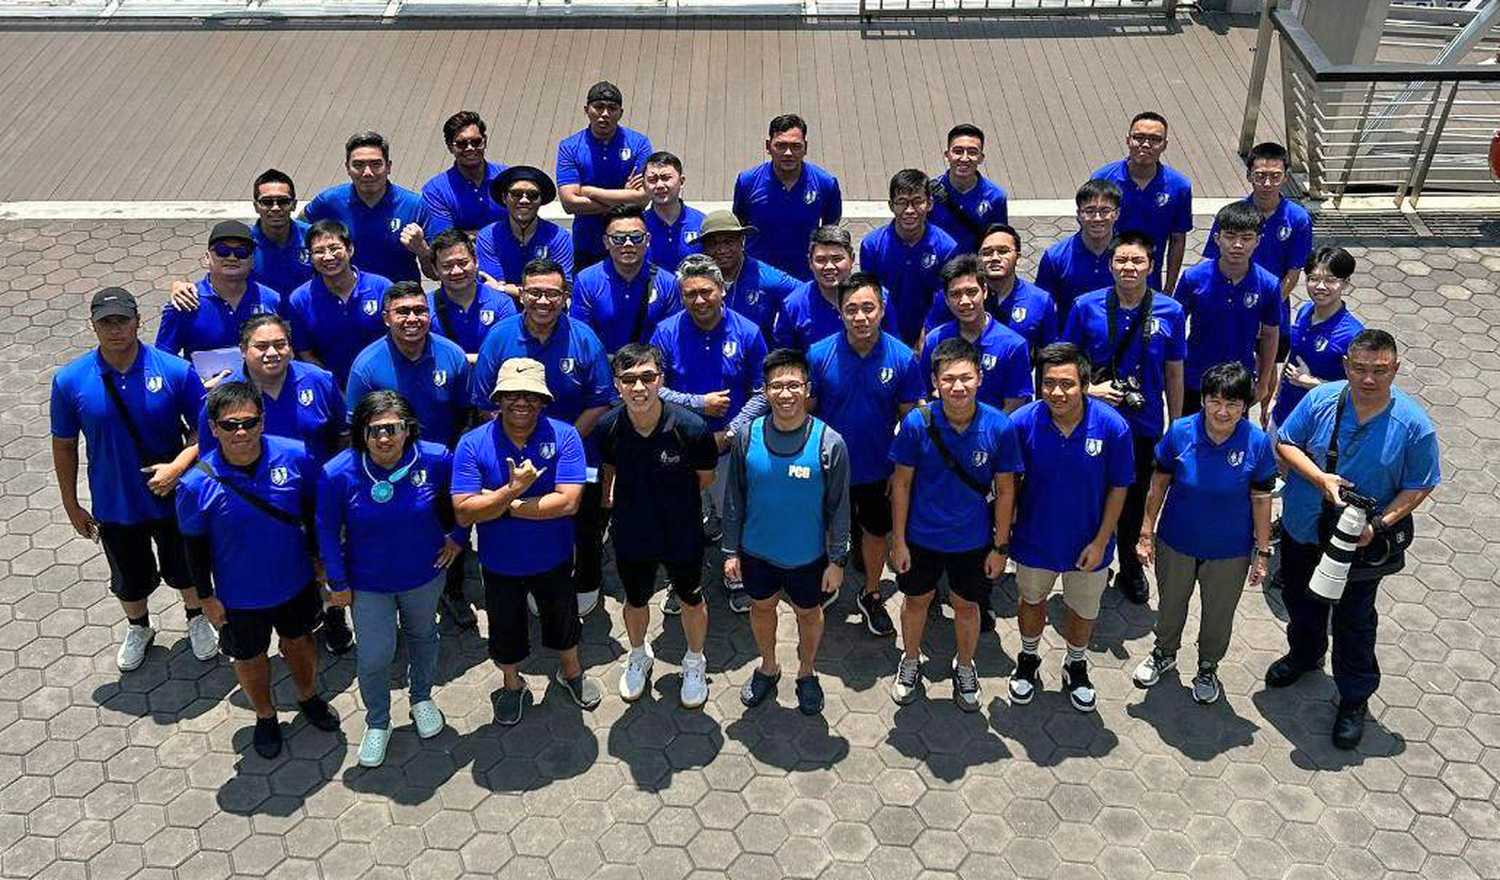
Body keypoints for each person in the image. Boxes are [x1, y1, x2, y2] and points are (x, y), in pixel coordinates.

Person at [1268, 329, 1440, 749]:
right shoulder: (1321, 400)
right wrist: (1319, 478)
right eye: (1360, 368)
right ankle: (1305, 655)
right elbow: (1286, 443)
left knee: (1354, 623)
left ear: (1395, 370)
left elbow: (1419, 485)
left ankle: (1353, 698)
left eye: (1380, 371)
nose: (1368, 379)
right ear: (1346, 366)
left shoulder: (1414, 426)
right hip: (1304, 526)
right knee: (1299, 599)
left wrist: (1377, 526)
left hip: (1358, 543)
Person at [50, 288, 214, 672]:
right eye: (106, 322)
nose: (116, 330)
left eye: (123, 320)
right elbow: (64, 445)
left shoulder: (173, 370)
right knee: (128, 576)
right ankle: (139, 627)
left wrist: (177, 467)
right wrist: (71, 504)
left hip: (172, 495)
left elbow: (203, 432)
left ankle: (196, 618)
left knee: (185, 566)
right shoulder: (70, 380)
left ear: (138, 321)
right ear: (93, 326)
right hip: (114, 501)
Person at [177, 382, 340, 759]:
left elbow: (314, 514)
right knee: (249, 658)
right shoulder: (195, 483)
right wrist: (206, 596)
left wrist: (320, 561)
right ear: (213, 428)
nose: (241, 433)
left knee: (299, 643)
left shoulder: (296, 456)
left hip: (295, 581)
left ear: (262, 421)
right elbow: (193, 545)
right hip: (238, 595)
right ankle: (265, 715)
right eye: (230, 425)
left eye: (249, 423)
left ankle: (307, 695)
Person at [453, 358, 601, 725]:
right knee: (505, 629)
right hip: (499, 562)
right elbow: (464, 512)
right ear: (498, 399)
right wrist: (515, 490)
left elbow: (568, 502)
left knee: (564, 621)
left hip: (554, 558)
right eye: (512, 395)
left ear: (544, 401)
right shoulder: (472, 444)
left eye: (532, 396)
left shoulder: (565, 436)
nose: (522, 402)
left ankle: (571, 673)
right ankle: (512, 684)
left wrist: (502, 502)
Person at [317, 391, 460, 766]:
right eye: (374, 430)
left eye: (392, 428)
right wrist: (338, 582)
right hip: (368, 584)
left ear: (407, 428)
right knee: (375, 655)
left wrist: (458, 539)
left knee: (424, 636)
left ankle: (421, 698)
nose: (384, 438)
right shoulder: (337, 473)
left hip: (424, 575)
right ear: (360, 432)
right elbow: (327, 530)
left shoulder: (436, 458)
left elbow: (462, 499)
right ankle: (378, 721)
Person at [472, 258, 615, 617]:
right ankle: (531, 582)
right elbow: (483, 400)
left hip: (579, 451)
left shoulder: (584, 337)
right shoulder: (500, 336)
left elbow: (600, 400)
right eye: (534, 292)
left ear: (565, 296)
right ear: (521, 294)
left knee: (585, 521)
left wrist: (563, 446)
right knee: (522, 517)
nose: (543, 301)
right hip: (516, 453)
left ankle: (586, 581)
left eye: (552, 293)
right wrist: (520, 439)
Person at [888, 339, 1021, 712]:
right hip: (921, 537)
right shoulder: (917, 423)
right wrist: (897, 541)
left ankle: (965, 666)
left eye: (966, 378)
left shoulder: (999, 427)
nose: (958, 387)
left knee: (966, 607)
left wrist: (1000, 547)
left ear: (980, 378)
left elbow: (1006, 490)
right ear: (934, 382)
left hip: (973, 541)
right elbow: (901, 484)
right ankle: (911, 660)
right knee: (916, 602)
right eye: (949, 379)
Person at [1132, 363, 1276, 705]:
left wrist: (1263, 552)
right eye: (1215, 401)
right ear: (1204, 400)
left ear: (1245, 406)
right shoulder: (1181, 432)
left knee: (1218, 616)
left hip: (1230, 551)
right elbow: (1158, 484)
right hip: (1177, 542)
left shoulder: (1256, 442)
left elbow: (1261, 500)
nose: (1222, 412)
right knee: (1169, 606)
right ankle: (1163, 653)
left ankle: (1208, 667)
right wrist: (1146, 533)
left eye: (1233, 404)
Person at [723, 348, 851, 716]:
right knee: (762, 608)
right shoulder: (748, 437)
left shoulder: (830, 443)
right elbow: (735, 499)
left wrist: (838, 560)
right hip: (757, 552)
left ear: (807, 389)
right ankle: (768, 666)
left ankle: (807, 672)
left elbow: (839, 508)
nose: (785, 394)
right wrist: (731, 552)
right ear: (764, 391)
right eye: (777, 386)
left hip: (808, 557)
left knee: (808, 614)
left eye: (794, 385)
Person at [1007, 343, 1134, 713]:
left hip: (1088, 544)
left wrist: (1101, 540)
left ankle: (1075, 664)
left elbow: (1119, 487)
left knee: (1083, 609)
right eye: (1048, 384)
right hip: (1035, 540)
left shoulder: (1113, 427)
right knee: (1032, 601)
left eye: (1067, 384)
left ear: (1085, 383)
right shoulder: (1022, 423)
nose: (1057, 393)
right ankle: (1028, 659)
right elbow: (1009, 484)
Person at [1063, 231, 1186, 606]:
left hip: (1143, 425)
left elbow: (1174, 372)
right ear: (1110, 264)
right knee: (1088, 497)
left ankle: (1130, 568)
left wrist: (1176, 427)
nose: (1128, 267)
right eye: (1121, 261)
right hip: (1092, 422)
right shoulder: (1086, 306)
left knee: (1133, 502)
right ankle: (1085, 561)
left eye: (1137, 261)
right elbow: (1064, 362)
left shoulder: (1170, 311)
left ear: (1151, 265)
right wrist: (1089, 390)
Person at [346, 282, 476, 628]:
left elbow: (467, 413)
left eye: (420, 310)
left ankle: (454, 591)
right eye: (402, 311)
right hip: (387, 469)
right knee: (400, 532)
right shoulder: (367, 367)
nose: (412, 318)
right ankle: (400, 600)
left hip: (443, 464)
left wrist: (457, 461)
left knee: (450, 526)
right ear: (386, 317)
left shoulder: (452, 355)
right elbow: (355, 428)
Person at [598, 344, 719, 706]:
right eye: (629, 379)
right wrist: (610, 500)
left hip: (682, 531)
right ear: (617, 385)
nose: (639, 388)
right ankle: (638, 655)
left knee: (691, 599)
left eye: (647, 378)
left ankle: (694, 660)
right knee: (635, 600)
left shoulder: (692, 427)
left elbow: (705, 477)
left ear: (661, 380)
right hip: (632, 530)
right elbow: (609, 469)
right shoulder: (608, 427)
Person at [650, 255, 770, 613]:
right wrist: (699, 404)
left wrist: (731, 432)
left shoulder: (747, 331)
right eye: (690, 294)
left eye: (706, 292)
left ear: (722, 290)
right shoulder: (666, 331)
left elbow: (762, 391)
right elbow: (654, 387)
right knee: (682, 515)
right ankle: (683, 579)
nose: (699, 300)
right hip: (678, 443)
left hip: (730, 444)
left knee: (734, 511)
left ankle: (735, 575)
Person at [807, 275, 923, 637]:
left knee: (875, 534)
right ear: (840, 313)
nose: (860, 317)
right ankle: (827, 583)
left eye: (868, 308)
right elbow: (807, 414)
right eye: (851, 309)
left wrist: (901, 470)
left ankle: (871, 592)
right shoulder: (818, 354)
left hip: (878, 467)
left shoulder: (903, 358)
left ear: (882, 310)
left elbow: (910, 419)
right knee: (824, 529)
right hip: (828, 468)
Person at [1204, 142, 1314, 364]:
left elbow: (1293, 273)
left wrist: (1266, 309)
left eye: (1275, 176)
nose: (1267, 183)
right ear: (1248, 175)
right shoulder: (1231, 214)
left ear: (1285, 177)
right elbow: (1213, 264)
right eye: (1260, 176)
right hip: (1230, 306)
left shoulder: (1298, 219)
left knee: (1268, 365)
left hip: (1272, 310)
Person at [1172, 201, 1281, 416]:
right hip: (1195, 379)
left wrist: (1264, 382)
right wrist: (1172, 374)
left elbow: (1270, 335)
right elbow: (1174, 327)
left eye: (1246, 238)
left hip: (1239, 382)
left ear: (1258, 241)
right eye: (1230, 236)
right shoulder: (1193, 278)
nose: (1237, 245)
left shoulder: (1269, 284)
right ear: (1217, 239)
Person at [194, 314, 346, 468]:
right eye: (261, 347)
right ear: (243, 350)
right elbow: (209, 457)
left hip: (316, 485)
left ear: (290, 347)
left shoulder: (320, 381)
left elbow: (343, 436)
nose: (272, 353)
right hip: (253, 488)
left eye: (280, 345)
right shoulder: (221, 396)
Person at [302, 131, 433, 284]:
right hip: (343, 299)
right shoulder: (328, 202)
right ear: (347, 168)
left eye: (376, 164)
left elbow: (435, 274)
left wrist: (422, 249)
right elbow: (298, 233)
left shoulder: (415, 206)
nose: (367, 173)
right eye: (358, 165)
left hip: (399, 301)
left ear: (388, 167)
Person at [284, 219, 395, 387]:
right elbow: (306, 353)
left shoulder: (382, 287)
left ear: (350, 249)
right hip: (334, 389)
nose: (328, 257)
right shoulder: (299, 300)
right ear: (310, 257)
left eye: (335, 248)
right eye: (319, 251)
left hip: (384, 384)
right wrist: (333, 388)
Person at [556, 81, 654, 271]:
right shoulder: (569, 147)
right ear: (587, 110)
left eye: (612, 108)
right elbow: (569, 203)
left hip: (629, 241)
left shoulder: (639, 143)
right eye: (599, 107)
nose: (605, 114)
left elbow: (642, 199)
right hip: (587, 243)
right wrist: (623, 198)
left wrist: (589, 191)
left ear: (621, 112)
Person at [732, 114, 843, 280]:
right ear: (768, 146)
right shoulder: (747, 182)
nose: (788, 153)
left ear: (805, 147)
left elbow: (830, 229)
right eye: (781, 146)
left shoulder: (825, 183)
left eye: (796, 146)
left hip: (805, 277)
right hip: (758, 277)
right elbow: (739, 225)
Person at [1093, 111, 1192, 294]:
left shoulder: (1179, 187)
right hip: (1105, 281)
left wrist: (1169, 286)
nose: (1145, 144)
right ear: (1128, 140)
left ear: (1165, 145)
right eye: (1139, 137)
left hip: (1149, 281)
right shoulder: (1102, 179)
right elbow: (1090, 230)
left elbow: (1178, 239)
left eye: (1155, 139)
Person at [157, 221, 285, 361]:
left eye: (241, 252)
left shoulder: (272, 299)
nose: (232, 257)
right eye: (222, 251)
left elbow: (287, 349)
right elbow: (164, 359)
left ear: (252, 260)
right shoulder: (184, 302)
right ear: (207, 257)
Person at [858, 169, 959, 346]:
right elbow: (872, 295)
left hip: (931, 336)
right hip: (884, 336)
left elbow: (943, 297)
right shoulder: (872, 245)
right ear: (891, 205)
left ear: (929, 204)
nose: (909, 210)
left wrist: (927, 332)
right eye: (902, 202)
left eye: (917, 202)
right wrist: (892, 337)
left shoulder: (946, 247)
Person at [920, 255, 1033, 413]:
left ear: (985, 291)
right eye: (955, 294)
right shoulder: (934, 340)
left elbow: (1014, 406)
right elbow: (924, 392)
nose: (965, 301)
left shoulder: (1013, 346)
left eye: (971, 292)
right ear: (946, 299)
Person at [1269, 248, 1365, 430]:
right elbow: (1292, 360)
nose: (1320, 287)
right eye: (1313, 279)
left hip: (1317, 428)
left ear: (1346, 283)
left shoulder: (1354, 335)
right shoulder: (1305, 311)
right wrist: (1274, 399)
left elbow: (1360, 391)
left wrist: (1312, 383)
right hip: (1282, 415)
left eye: (1330, 280)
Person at [926, 223, 1055, 357]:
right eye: (987, 253)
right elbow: (932, 341)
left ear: (1018, 256)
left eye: (1003, 251)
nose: (995, 258)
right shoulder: (952, 297)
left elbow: (1048, 357)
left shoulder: (1040, 301)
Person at [571, 206, 681, 352]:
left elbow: (671, 337)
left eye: (636, 237)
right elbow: (580, 336)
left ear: (647, 240)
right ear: (606, 242)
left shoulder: (667, 282)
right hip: (604, 366)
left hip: (650, 368)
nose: (628, 244)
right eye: (618, 238)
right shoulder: (587, 281)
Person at [774, 228, 899, 353]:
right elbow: (784, 361)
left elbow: (894, 349)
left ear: (852, 259)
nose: (829, 267)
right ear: (810, 263)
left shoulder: (878, 297)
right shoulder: (793, 306)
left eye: (837, 259)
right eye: (821, 260)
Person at [698, 210, 801, 341]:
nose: (722, 250)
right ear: (704, 248)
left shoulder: (767, 278)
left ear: (742, 241)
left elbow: (806, 295)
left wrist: (783, 335)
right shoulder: (696, 281)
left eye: (728, 242)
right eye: (713, 244)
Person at [474, 165, 575, 293]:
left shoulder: (559, 237)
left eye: (533, 195)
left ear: (541, 200)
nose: (524, 200)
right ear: (504, 198)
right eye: (516, 194)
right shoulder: (488, 236)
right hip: (503, 310)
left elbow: (562, 287)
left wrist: (504, 288)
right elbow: (491, 287)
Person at [1036, 179, 1122, 322]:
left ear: (1117, 214)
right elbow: (1044, 307)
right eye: (1089, 211)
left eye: (1105, 211)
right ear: (1078, 214)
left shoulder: (1131, 256)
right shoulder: (1055, 257)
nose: (1097, 218)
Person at [427, 228, 518, 361]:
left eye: (463, 263)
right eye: (447, 266)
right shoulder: (425, 308)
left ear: (476, 262)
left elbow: (508, 352)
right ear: (435, 269)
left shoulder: (501, 304)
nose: (456, 271)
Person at [421, 110, 509, 237]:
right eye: (461, 144)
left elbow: (525, 224)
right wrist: (502, 234)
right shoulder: (436, 191)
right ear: (450, 147)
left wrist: (466, 234)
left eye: (476, 142)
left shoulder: (509, 178)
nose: (470, 148)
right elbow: (446, 242)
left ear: (485, 141)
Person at [928, 123, 1009, 255]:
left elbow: (999, 239)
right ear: (947, 155)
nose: (964, 158)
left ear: (981, 158)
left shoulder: (996, 197)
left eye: (972, 152)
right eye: (958, 152)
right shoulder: (928, 193)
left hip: (974, 270)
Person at [248, 169, 314, 296]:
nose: (275, 208)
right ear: (256, 206)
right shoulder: (243, 241)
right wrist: (196, 288)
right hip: (263, 314)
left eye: (283, 201)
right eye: (266, 202)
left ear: (294, 205)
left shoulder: (314, 237)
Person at [642, 151, 705, 271]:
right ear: (644, 185)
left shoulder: (702, 223)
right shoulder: (638, 225)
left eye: (666, 178)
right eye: (652, 180)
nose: (659, 185)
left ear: (681, 181)